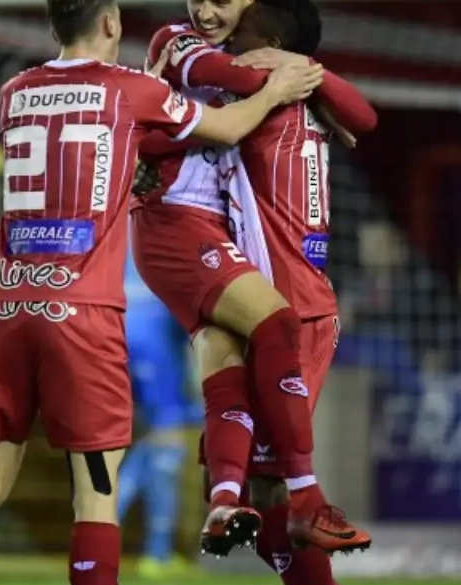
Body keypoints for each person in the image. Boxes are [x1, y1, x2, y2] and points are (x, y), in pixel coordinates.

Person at [0, 0, 322, 585]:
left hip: (7, 305)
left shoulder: (14, 92)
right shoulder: (131, 90)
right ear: (111, 23)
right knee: (94, 496)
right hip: (82, 312)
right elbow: (228, 128)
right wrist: (277, 90)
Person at [132, 0, 378, 556]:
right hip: (183, 228)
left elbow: (364, 118)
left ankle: (225, 501)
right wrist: (286, 72)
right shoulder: (181, 45)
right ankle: (305, 498)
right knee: (272, 329)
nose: (205, 10)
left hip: (232, 245)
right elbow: (218, 91)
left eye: (222, 1)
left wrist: (300, 70)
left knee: (228, 372)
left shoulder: (278, 82)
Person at [211, 3, 386, 585]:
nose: (233, 41)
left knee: (271, 493)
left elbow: (365, 117)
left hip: (292, 312)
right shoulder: (302, 98)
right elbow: (364, 116)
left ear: (274, 42)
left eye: (245, 32)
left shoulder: (265, 86)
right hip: (275, 304)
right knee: (259, 496)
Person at [115, 244, 201, 578]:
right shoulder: (166, 224)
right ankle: (154, 551)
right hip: (152, 336)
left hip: (114, 331)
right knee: (167, 448)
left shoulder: (116, 225)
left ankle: (155, 550)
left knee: (153, 446)